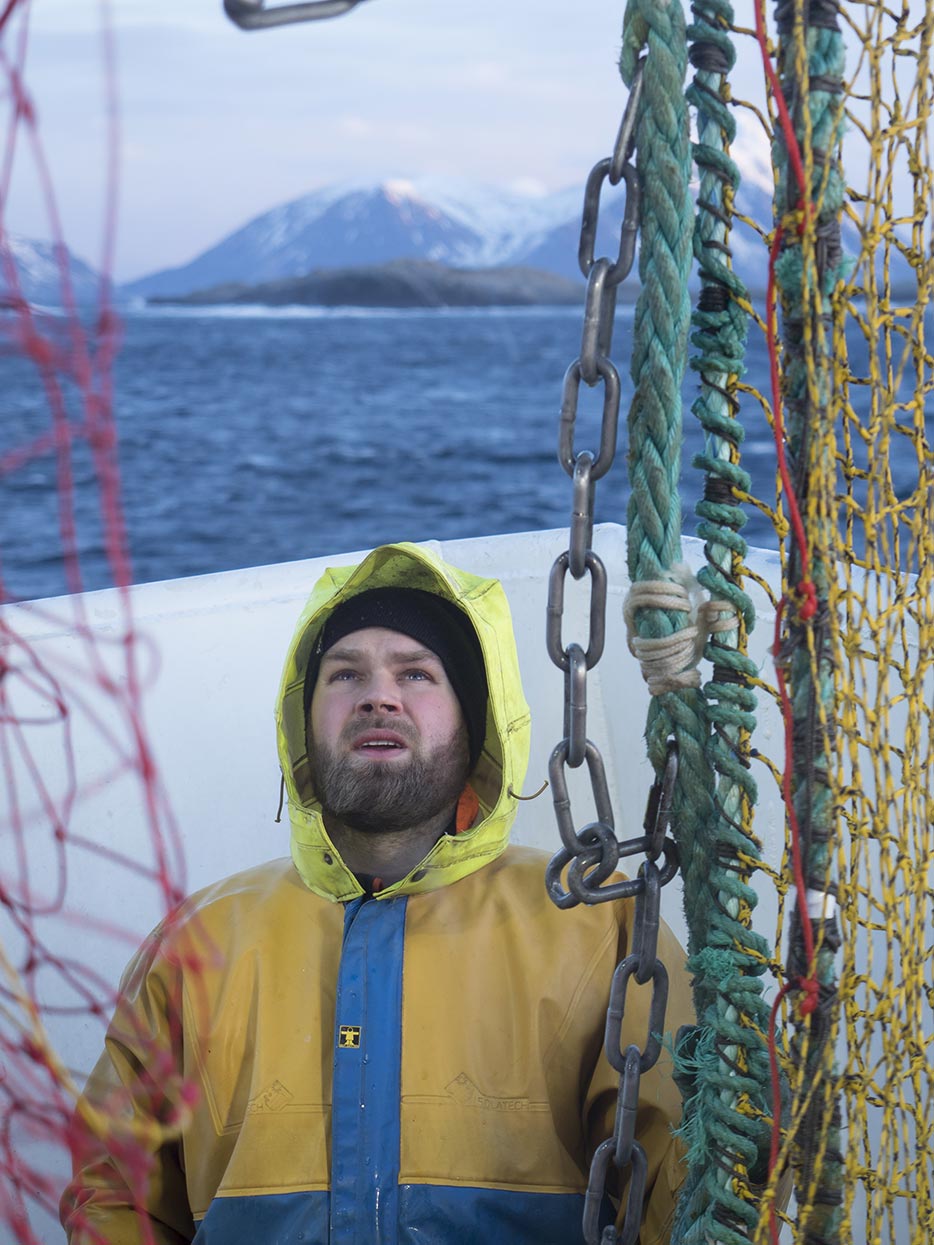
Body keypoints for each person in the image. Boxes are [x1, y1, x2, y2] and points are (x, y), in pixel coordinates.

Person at [61, 541, 695, 1244]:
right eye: (345, 674)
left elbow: (684, 1188)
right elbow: (114, 1194)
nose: (378, 696)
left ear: (475, 719)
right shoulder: (199, 942)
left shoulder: (598, 923)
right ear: (304, 720)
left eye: (416, 672)